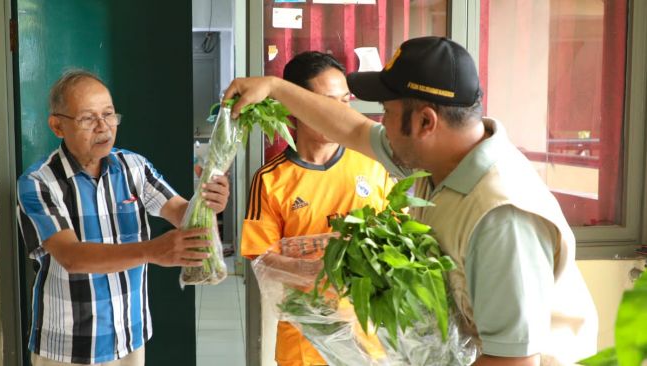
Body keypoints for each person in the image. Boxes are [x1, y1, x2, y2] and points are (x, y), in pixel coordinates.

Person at [226, 37, 598, 365]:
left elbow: (513, 360)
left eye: (386, 114)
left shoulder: (501, 217)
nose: (378, 124)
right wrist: (274, 87)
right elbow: (350, 128)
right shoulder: (440, 161)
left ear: (425, 122)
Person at [16, 69, 229, 366]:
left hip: (129, 335)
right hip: (69, 345)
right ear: (57, 126)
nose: (103, 127)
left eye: (109, 115)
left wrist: (208, 203)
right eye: (88, 118)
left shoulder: (133, 166)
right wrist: (153, 250)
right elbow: (72, 256)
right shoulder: (37, 182)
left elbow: (182, 212)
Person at [240, 51, 395, 366]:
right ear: (296, 106)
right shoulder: (271, 180)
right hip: (305, 342)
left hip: (370, 338)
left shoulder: (374, 164)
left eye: (344, 102)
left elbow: (397, 233)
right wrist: (313, 270)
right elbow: (262, 262)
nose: (338, 113)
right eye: (326, 102)